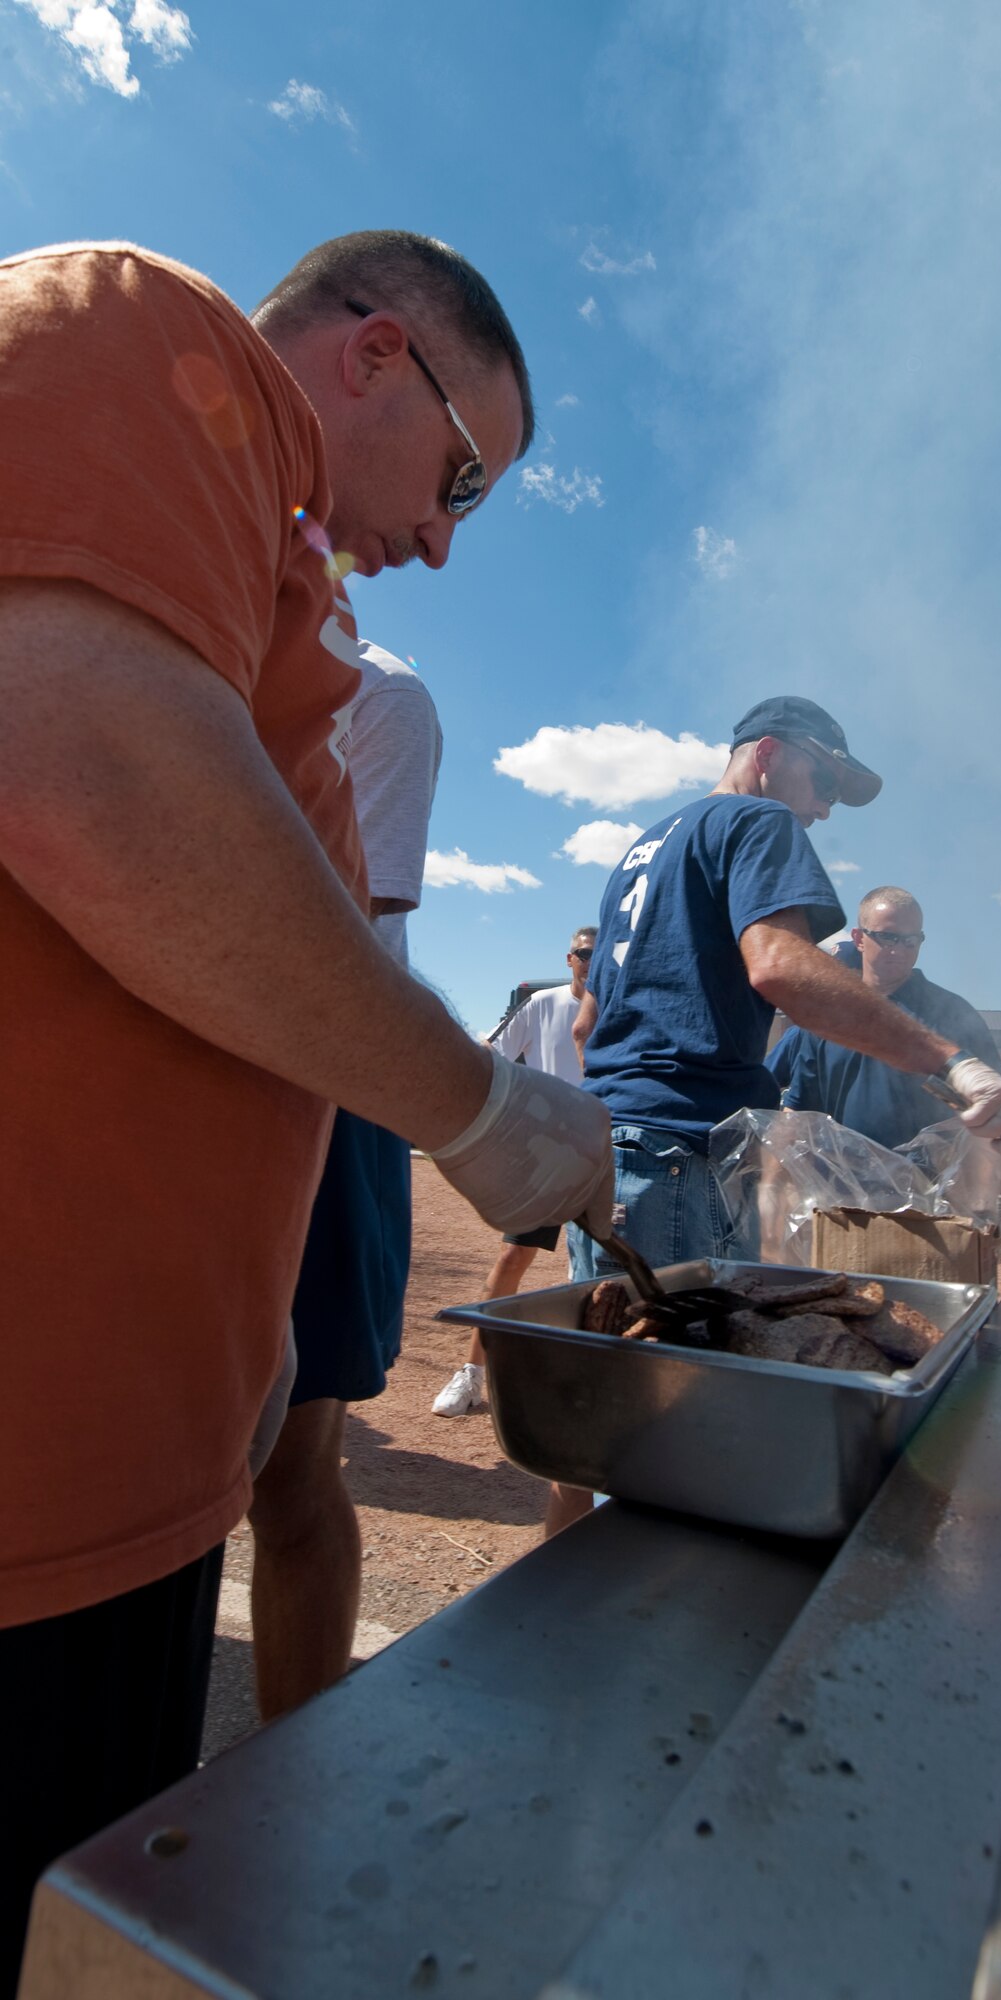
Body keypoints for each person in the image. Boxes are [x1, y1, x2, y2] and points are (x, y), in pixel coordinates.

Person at [0, 230, 612, 1993]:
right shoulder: (157, 332)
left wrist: (246, 1323)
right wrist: (473, 1105)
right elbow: (77, 755)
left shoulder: (273, 576)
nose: (438, 537)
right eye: (463, 481)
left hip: (122, 1469)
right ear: (371, 356)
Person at [570, 695, 1001, 1293]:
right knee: (691, 1380)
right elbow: (780, 969)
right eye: (821, 782)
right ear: (767, 754)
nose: (822, 808)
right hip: (679, 1157)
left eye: (835, 796)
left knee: (614, 1368)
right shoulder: (758, 820)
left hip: (605, 1154)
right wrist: (958, 1066)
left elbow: (587, 1025)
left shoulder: (642, 853)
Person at [250, 637, 442, 1721]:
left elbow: (343, 938)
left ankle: (283, 1777)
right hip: (177, 1070)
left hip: (321, 1086)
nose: (435, 537)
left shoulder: (384, 693)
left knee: (292, 1470)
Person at [433, 926, 597, 1421]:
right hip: (548, 1153)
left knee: (595, 1271)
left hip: (609, 1150)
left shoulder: (622, 1005)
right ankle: (471, 1374)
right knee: (512, 1257)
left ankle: (587, 1384)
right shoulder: (540, 1004)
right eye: (584, 953)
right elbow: (492, 1057)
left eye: (599, 952)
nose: (591, 961)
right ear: (570, 958)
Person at [769, 885, 1001, 1149]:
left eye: (911, 940)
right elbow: (798, 1113)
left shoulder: (953, 1014)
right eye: (888, 937)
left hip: (924, 1185)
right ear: (858, 938)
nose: (900, 950)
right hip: (836, 1183)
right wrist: (774, 1186)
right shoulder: (829, 1017)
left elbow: (993, 1117)